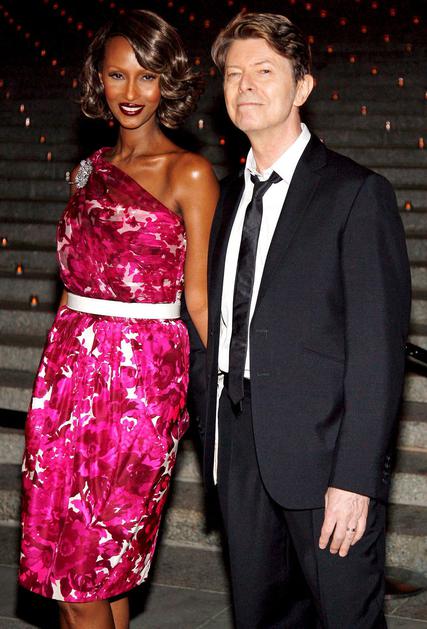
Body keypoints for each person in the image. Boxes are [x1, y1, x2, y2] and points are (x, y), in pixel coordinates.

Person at [188, 12, 411, 629]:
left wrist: (356, 479)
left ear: (303, 86)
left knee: (345, 619)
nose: (245, 86)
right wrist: (213, 432)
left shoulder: (355, 194)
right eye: (233, 74)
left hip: (324, 457)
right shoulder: (225, 197)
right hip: (238, 448)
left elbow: (377, 354)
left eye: (264, 71)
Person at [18, 10, 219, 629]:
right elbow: (71, 287)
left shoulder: (189, 172)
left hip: (140, 387)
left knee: (85, 574)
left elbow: (201, 301)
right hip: (68, 379)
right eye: (117, 75)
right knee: (89, 571)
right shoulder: (88, 170)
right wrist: (51, 390)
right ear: (97, 79)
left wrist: (228, 396)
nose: (131, 92)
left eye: (147, 77)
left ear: (167, 83)